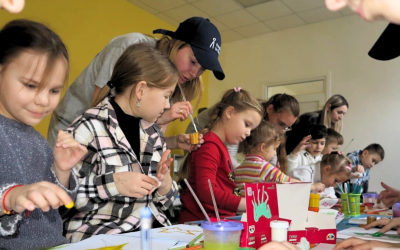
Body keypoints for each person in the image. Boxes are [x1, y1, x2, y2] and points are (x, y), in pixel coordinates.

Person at [47, 16, 223, 151]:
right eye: (193, 62)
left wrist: (173, 141)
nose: (194, 73)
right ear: (178, 44)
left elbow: (149, 142)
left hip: (111, 147)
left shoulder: (178, 81)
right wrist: (163, 117)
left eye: (203, 69)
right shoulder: (131, 46)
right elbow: (98, 109)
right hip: (72, 130)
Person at [63, 43, 180, 243]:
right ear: (141, 90)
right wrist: (113, 183)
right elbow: (64, 200)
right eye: (166, 96)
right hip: (101, 234)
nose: (168, 105)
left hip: (148, 232)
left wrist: (165, 184)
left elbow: (167, 204)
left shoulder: (154, 134)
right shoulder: (88, 128)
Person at [0, 19, 87, 250]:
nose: (43, 100)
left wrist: (61, 169)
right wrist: (9, 198)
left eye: (54, 90)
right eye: (30, 85)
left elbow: (57, 207)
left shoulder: (38, 141)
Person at [178, 88, 263, 223]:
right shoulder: (210, 146)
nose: (248, 133)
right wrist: (249, 204)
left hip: (215, 222)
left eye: (251, 129)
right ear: (229, 112)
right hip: (199, 226)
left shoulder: (218, 146)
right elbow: (207, 192)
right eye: (247, 125)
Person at [187, 93, 300, 171]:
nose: (281, 130)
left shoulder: (265, 124)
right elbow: (230, 158)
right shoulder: (250, 116)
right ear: (270, 109)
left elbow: (271, 151)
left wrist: (270, 171)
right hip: (198, 133)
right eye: (281, 124)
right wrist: (250, 173)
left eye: (287, 127)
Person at [234, 121, 325, 196]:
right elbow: (289, 182)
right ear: (262, 147)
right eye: (274, 149)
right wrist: (313, 187)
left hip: (242, 212)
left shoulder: (239, 169)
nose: (274, 153)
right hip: (259, 212)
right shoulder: (263, 167)